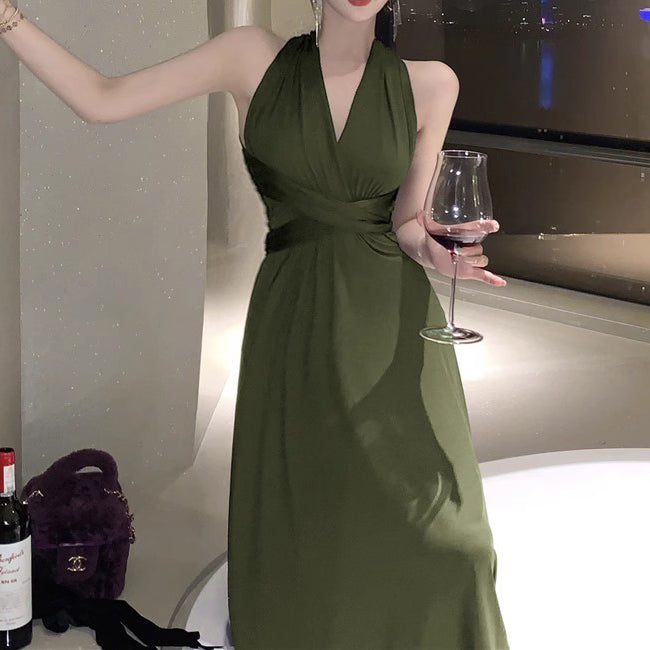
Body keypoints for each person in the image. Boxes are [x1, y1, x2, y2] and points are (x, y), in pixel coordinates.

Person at [1, 0, 510, 647]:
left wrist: (438, 253)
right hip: (295, 316)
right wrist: (7, 17)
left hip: (389, 319)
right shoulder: (250, 57)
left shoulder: (432, 84)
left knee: (454, 543)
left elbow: (407, 222)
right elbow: (101, 99)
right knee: (314, 512)